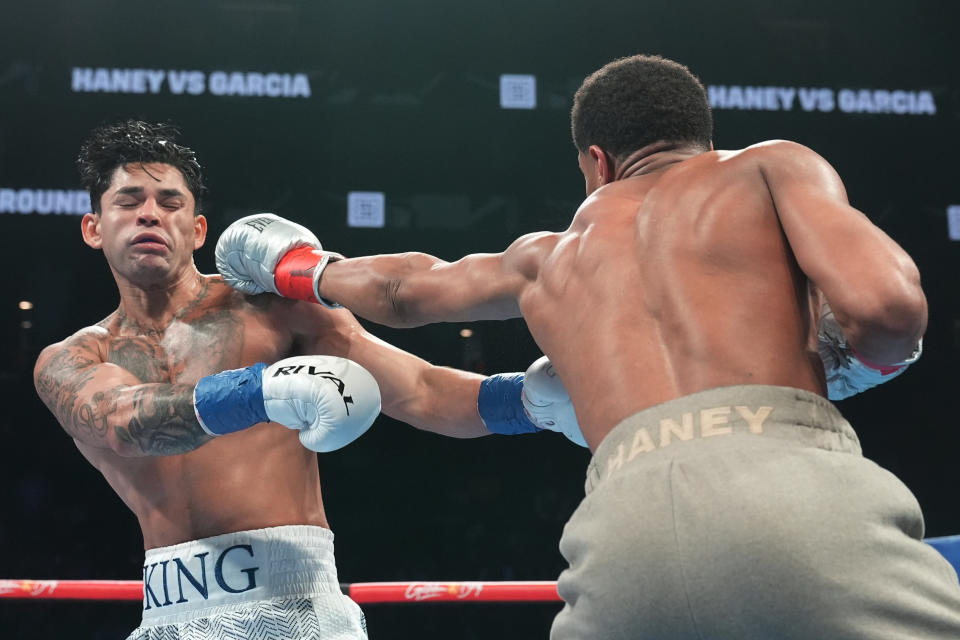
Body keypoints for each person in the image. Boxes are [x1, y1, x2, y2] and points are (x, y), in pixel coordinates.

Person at [215, 55, 960, 638]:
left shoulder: (545, 257)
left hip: (623, 531)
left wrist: (300, 270)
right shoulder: (768, 166)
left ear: (596, 160)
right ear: (706, 135)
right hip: (794, 484)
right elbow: (891, 309)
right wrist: (845, 362)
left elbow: (408, 293)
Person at [32, 120, 578, 640]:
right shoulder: (68, 360)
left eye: (170, 202)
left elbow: (421, 389)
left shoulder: (270, 309)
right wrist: (262, 391)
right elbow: (122, 421)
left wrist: (529, 402)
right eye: (128, 202)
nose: (150, 215)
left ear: (198, 230)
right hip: (170, 617)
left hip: (297, 606)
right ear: (93, 227)